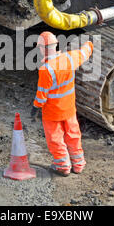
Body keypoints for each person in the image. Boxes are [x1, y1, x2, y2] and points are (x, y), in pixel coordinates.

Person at [31, 31, 93, 176]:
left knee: (55, 139)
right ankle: (78, 165)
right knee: (73, 135)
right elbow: (84, 53)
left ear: (41, 48)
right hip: (69, 108)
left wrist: (35, 107)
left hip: (52, 112)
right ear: (56, 44)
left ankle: (63, 166)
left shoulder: (45, 69)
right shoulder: (69, 58)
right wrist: (89, 44)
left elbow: (41, 95)